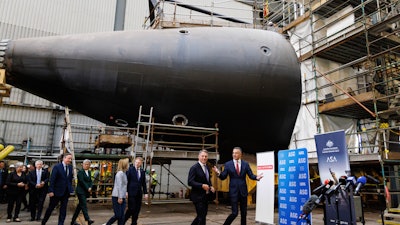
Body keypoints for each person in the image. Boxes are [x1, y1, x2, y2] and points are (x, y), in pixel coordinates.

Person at [213, 147, 263, 225]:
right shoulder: (228, 164)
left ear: (240, 154)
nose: (234, 154)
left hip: (243, 191)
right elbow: (223, 177)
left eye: (236, 153)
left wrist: (256, 177)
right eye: (233, 153)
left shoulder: (245, 164)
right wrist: (218, 173)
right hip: (233, 192)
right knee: (234, 213)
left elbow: (250, 175)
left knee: (244, 213)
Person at [41, 153, 73, 225]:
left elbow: (69, 180)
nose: (70, 160)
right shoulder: (57, 167)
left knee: (63, 209)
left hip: (65, 192)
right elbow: (52, 179)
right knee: (51, 208)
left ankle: (60, 223)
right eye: (69, 158)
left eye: (71, 159)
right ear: (64, 158)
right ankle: (44, 221)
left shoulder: (70, 168)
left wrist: (70, 189)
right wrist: (50, 191)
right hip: (56, 192)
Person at [188, 149, 215, 225]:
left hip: (205, 197)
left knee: (202, 216)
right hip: (197, 197)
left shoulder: (207, 167)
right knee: (201, 217)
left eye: (206, 156)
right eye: (202, 156)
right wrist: (201, 185)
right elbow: (190, 182)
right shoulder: (194, 168)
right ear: (198, 157)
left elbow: (207, 180)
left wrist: (211, 186)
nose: (204, 158)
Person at [103, 158, 129, 225]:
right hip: (117, 196)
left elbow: (124, 185)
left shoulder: (124, 173)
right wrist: (120, 197)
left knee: (122, 216)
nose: (128, 165)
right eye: (127, 164)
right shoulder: (120, 174)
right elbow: (119, 186)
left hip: (121, 196)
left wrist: (125, 193)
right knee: (118, 215)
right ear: (124, 165)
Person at [124, 157, 148, 225]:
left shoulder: (142, 172)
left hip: (139, 193)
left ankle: (134, 223)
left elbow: (143, 183)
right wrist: (126, 191)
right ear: (134, 162)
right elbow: (126, 181)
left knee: (137, 209)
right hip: (131, 193)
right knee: (131, 208)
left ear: (141, 163)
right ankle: (123, 221)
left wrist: (145, 193)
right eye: (136, 162)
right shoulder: (130, 170)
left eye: (139, 163)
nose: (137, 164)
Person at [71, 159, 94, 225]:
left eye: (88, 164)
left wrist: (90, 187)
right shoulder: (80, 172)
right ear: (83, 165)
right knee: (84, 205)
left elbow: (90, 181)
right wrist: (87, 188)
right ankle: (87, 219)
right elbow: (81, 181)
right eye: (85, 164)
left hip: (86, 191)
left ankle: (73, 221)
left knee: (79, 207)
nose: (87, 166)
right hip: (81, 192)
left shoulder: (89, 172)